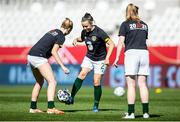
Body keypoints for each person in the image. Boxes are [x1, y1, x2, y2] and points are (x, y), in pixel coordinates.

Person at [65, 13, 115, 112]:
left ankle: (96, 105)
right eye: (83, 26)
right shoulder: (84, 31)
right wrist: (76, 39)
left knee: (96, 81)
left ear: (91, 23)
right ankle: (72, 97)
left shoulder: (99, 32)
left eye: (86, 26)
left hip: (100, 60)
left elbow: (112, 44)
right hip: (89, 57)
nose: (85, 28)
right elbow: (82, 38)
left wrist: (107, 58)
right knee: (82, 74)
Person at [27, 18, 73, 115]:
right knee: (52, 82)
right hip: (39, 57)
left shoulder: (53, 31)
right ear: (69, 29)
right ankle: (51, 108)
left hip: (31, 55)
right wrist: (63, 66)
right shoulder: (61, 36)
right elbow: (54, 52)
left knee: (39, 81)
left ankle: (33, 108)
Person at [113, 3, 150, 119]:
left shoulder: (125, 24)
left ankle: (131, 113)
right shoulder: (144, 25)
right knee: (143, 84)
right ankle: (145, 113)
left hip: (132, 53)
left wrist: (117, 57)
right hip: (144, 53)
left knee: (131, 85)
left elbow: (120, 42)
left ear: (127, 12)